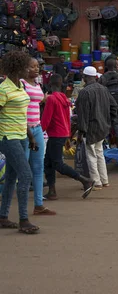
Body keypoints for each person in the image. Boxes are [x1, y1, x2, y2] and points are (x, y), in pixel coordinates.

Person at [0, 51, 40, 234]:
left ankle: (3, 217)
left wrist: (31, 137)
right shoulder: (4, 89)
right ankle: (24, 219)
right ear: (17, 68)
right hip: (8, 138)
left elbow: (22, 116)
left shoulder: (20, 87)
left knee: (11, 178)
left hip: (22, 137)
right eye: (26, 66)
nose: (29, 69)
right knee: (26, 175)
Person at [42, 74, 94, 199]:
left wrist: (38, 132)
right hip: (62, 132)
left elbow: (46, 120)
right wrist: (67, 135)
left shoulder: (51, 99)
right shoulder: (64, 98)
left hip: (55, 134)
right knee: (48, 162)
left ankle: (84, 180)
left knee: (57, 164)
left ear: (50, 85)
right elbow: (67, 118)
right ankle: (52, 191)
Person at [75, 66, 118, 190]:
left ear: (85, 77)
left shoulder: (85, 92)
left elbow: (83, 115)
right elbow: (114, 106)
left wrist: (81, 132)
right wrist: (108, 120)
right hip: (103, 127)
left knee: (91, 155)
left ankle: (96, 182)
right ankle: (104, 180)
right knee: (99, 153)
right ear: (95, 76)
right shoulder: (104, 89)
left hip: (91, 128)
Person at [22, 57, 54, 215]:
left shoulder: (37, 85)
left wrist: (45, 99)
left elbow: (38, 101)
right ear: (24, 68)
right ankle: (22, 210)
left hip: (37, 128)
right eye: (32, 66)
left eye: (37, 67)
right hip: (23, 129)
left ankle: (38, 204)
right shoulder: (21, 84)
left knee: (38, 167)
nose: (36, 69)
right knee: (23, 168)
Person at [99, 58, 118, 149]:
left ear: (106, 66)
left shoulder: (102, 78)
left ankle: (107, 148)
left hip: (106, 108)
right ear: (116, 66)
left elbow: (100, 95)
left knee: (106, 128)